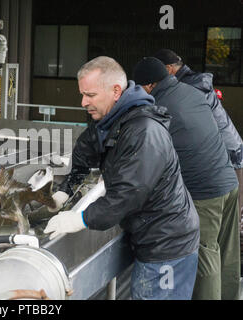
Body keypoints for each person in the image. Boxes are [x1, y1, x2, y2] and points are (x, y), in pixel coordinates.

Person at [44, 56, 200, 300]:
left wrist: (82, 219)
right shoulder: (110, 120)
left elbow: (129, 193)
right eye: (82, 94)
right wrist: (67, 188)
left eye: (91, 95)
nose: (84, 102)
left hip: (167, 245)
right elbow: (86, 149)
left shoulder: (144, 131)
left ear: (116, 90)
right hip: (149, 235)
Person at [133, 57, 240, 300]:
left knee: (205, 254)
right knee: (227, 251)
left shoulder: (159, 105)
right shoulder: (191, 92)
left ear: (149, 86)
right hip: (228, 181)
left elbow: (151, 155)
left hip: (205, 192)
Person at [153, 49, 243, 217]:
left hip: (226, 152)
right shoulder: (192, 82)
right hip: (230, 148)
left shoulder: (189, 87)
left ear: (169, 69)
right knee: (228, 218)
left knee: (225, 217)